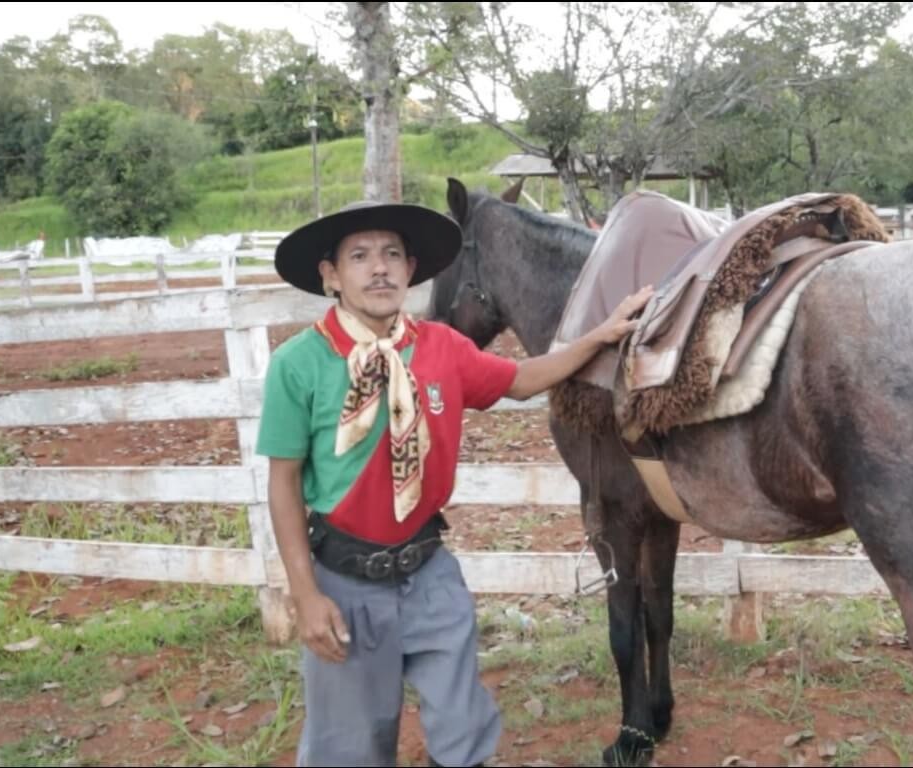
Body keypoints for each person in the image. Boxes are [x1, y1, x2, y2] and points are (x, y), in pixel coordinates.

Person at [256, 199, 653, 767]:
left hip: (428, 572)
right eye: (361, 256)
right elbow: (284, 483)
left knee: (464, 731)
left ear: (412, 268)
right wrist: (306, 594)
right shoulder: (300, 363)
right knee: (350, 746)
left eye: (393, 254)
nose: (380, 269)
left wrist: (600, 336)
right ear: (330, 275)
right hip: (345, 579)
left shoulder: (441, 348)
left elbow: (518, 379)